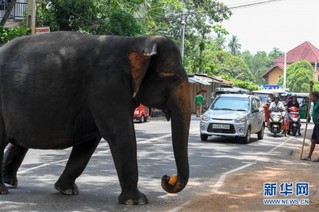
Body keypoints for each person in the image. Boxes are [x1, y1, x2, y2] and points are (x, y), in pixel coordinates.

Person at [302, 91, 319, 161]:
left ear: (315, 97)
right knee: (313, 140)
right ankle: (309, 156)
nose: (311, 98)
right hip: (316, 124)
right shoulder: (314, 103)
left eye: (311, 96)